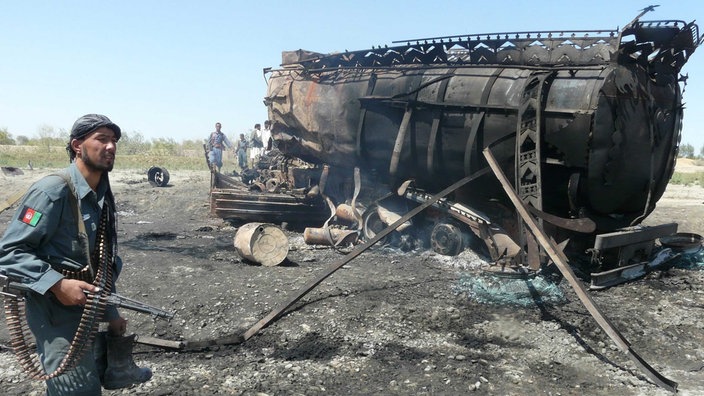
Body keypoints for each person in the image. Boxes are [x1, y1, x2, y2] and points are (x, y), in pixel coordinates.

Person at [0, 114, 151, 395]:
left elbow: (101, 261)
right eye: (102, 139)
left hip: (89, 306)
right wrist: (57, 284)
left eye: (114, 141)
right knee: (75, 388)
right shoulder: (53, 191)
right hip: (54, 311)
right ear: (77, 146)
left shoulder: (101, 193)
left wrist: (111, 312)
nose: (110, 147)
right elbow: (9, 252)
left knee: (85, 382)